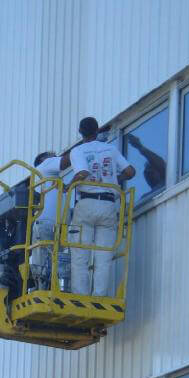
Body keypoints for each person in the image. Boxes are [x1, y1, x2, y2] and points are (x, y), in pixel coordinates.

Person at [69, 117, 135, 296]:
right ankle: (99, 296)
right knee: (103, 256)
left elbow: (83, 172)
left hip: (87, 204)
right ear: (97, 131)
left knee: (80, 256)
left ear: (80, 132)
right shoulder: (110, 149)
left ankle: (80, 297)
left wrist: (68, 187)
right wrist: (115, 180)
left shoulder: (78, 151)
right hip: (108, 205)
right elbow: (130, 172)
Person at [31, 150, 70, 289]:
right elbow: (68, 159)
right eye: (51, 154)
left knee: (52, 264)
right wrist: (88, 146)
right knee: (45, 264)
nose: (55, 155)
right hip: (47, 224)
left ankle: (48, 289)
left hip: (55, 226)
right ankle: (42, 290)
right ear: (42, 159)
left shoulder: (53, 180)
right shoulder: (44, 166)